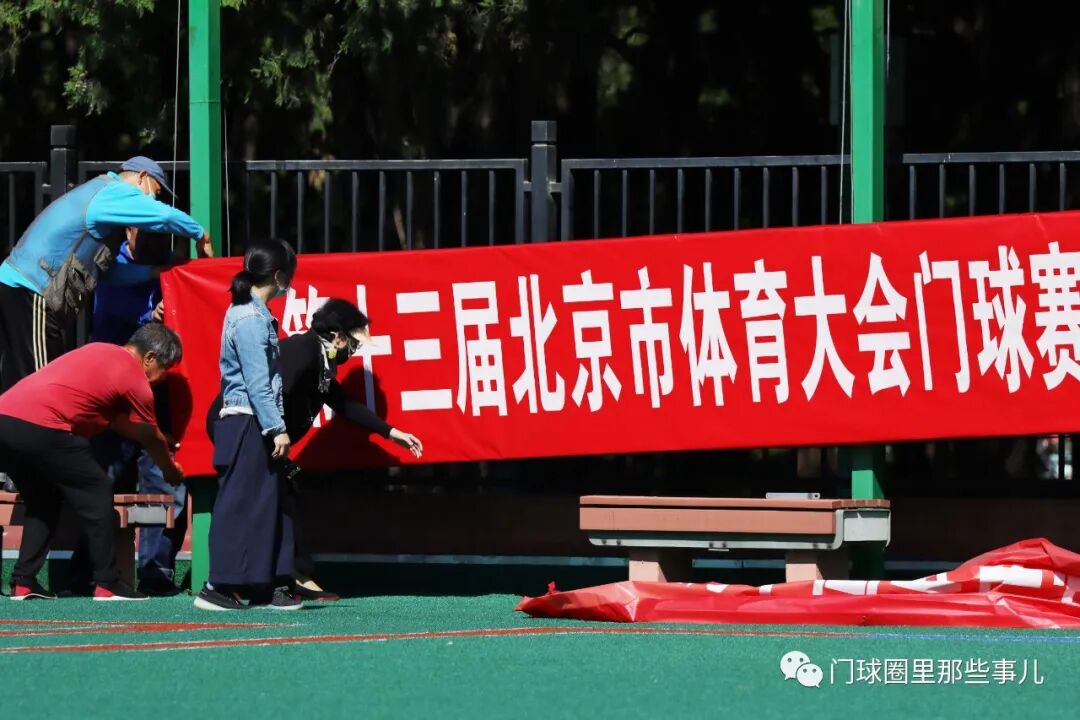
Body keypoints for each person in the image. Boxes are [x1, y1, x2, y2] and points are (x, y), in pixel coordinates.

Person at [207, 298, 424, 601]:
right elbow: (272, 393)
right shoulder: (303, 349)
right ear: (338, 337)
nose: (354, 350)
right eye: (353, 343)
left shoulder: (321, 362)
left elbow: (343, 403)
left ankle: (280, 582)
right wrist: (276, 435)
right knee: (252, 504)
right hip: (245, 428)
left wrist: (391, 433)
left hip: (263, 434)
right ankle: (223, 585)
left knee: (281, 502)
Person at [0, 324, 185, 601]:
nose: (163, 377)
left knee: (43, 499)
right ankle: (108, 583)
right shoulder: (134, 375)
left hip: (5, 421)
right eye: (165, 368)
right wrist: (170, 470)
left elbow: (121, 424)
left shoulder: (99, 351)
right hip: (45, 426)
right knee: (99, 490)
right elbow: (149, 437)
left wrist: (160, 437)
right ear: (149, 358)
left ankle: (23, 582)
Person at [0, 156, 212, 391]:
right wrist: (199, 233)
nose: (154, 199)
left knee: (16, 380)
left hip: (20, 288)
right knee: (39, 385)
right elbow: (164, 216)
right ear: (141, 177)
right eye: (156, 191)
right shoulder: (112, 192)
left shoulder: (100, 197)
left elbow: (106, 274)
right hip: (32, 289)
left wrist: (154, 272)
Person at [69, 227, 187, 596]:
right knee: (104, 478)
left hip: (160, 388)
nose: (156, 242)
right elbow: (109, 312)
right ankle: (87, 570)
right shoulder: (112, 265)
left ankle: (156, 570)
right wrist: (151, 314)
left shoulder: (174, 269)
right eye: (148, 234)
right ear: (130, 230)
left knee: (161, 480)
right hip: (112, 391)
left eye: (162, 235)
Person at [196, 239, 300, 611]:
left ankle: (261, 585)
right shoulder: (252, 319)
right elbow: (258, 382)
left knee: (262, 505)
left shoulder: (249, 312)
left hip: (248, 421)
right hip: (247, 422)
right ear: (279, 275)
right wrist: (277, 427)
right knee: (241, 504)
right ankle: (218, 587)